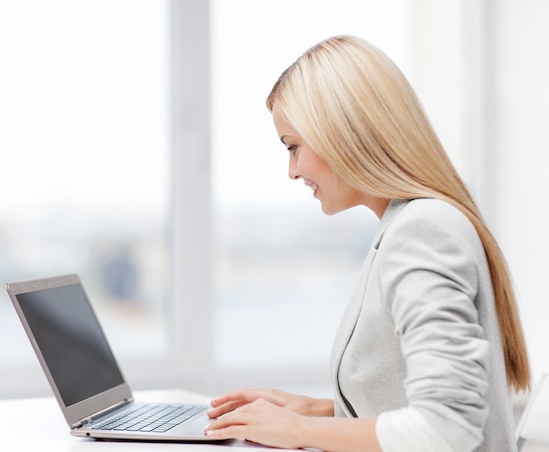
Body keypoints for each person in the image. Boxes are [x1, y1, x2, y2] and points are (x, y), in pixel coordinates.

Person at [203, 35, 530, 452]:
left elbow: (446, 427)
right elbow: (410, 406)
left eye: (293, 147)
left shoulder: (423, 230)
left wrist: (293, 431)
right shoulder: (407, 223)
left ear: (343, 133)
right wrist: (314, 409)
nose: (293, 170)